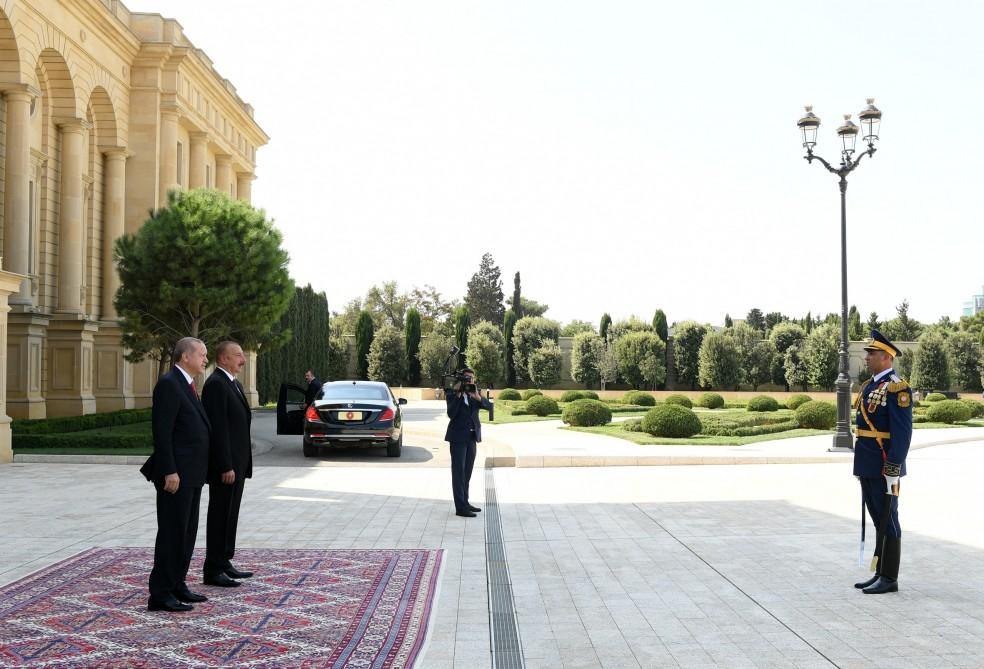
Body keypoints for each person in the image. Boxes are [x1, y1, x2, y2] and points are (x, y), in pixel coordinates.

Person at [140, 337, 211, 612]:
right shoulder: (169, 384)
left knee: (186, 532)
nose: (205, 359)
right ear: (185, 357)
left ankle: (177, 582)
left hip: (192, 474)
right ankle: (160, 593)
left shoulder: (188, 385)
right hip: (176, 475)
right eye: (202, 354)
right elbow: (163, 432)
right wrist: (169, 470)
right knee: (172, 532)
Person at [853, 329, 912, 594]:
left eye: (872, 353)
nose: (867, 357)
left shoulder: (897, 387)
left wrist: (894, 467)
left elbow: (902, 433)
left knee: (889, 519)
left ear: (886, 357)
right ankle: (880, 572)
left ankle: (890, 578)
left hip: (885, 465)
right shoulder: (871, 385)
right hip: (868, 463)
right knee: (878, 518)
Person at [202, 341, 254, 588]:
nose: (242, 360)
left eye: (242, 355)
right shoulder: (215, 385)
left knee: (230, 514)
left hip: (238, 465)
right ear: (222, 359)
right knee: (220, 514)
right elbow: (219, 430)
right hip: (227, 467)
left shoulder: (233, 383)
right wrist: (225, 465)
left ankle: (224, 561)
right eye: (237, 356)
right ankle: (213, 568)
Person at [444, 367, 492, 517]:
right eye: (466, 378)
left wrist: (478, 397)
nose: (469, 381)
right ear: (461, 379)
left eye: (471, 378)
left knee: (467, 472)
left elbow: (491, 409)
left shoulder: (474, 393)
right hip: (458, 438)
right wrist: (458, 394)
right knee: (458, 473)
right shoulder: (452, 393)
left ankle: (465, 501)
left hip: (472, 438)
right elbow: (451, 414)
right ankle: (460, 508)